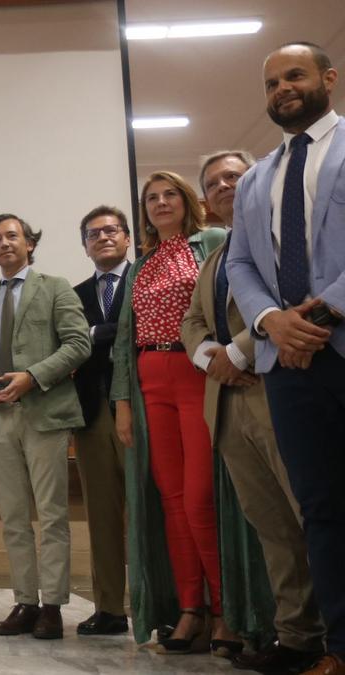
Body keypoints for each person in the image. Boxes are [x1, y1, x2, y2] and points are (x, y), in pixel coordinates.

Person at [226, 41, 345, 675]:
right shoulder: (255, 178)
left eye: (294, 76)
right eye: (272, 83)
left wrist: (318, 314)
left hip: (337, 340)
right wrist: (272, 320)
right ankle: (339, 647)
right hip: (289, 366)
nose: (282, 90)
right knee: (321, 509)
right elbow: (242, 263)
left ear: (328, 78)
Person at [183, 149, 325, 672]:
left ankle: (337, 639)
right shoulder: (217, 259)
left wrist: (239, 350)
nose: (224, 186)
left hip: (279, 390)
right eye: (214, 182)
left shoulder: (284, 238)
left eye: (234, 177)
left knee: (313, 517)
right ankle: (298, 636)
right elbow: (192, 321)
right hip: (227, 407)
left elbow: (300, 300)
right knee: (272, 526)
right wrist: (209, 357)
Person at [109, 171, 241, 653]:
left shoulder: (210, 242)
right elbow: (124, 339)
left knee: (201, 498)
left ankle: (229, 610)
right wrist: (123, 402)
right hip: (149, 380)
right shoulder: (141, 264)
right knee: (169, 498)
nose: (161, 203)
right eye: (151, 198)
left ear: (187, 201)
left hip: (198, 374)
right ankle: (191, 608)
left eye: (169, 195)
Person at [0, 214, 90, 640]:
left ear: (30, 244)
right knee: (14, 518)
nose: (4, 244)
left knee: (52, 515)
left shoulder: (55, 288)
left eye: (12, 236)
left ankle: (51, 606)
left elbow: (78, 343)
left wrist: (32, 377)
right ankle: (25, 601)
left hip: (44, 414)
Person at [70, 206, 130, 636]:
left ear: (127, 237)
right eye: (93, 233)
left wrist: (94, 334)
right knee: (102, 516)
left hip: (142, 409)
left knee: (149, 511)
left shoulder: (147, 280)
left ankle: (162, 606)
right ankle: (109, 607)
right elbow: (70, 345)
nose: (103, 237)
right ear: (85, 245)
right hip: (91, 413)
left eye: (111, 230)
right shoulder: (72, 295)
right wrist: (96, 335)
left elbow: (121, 332)